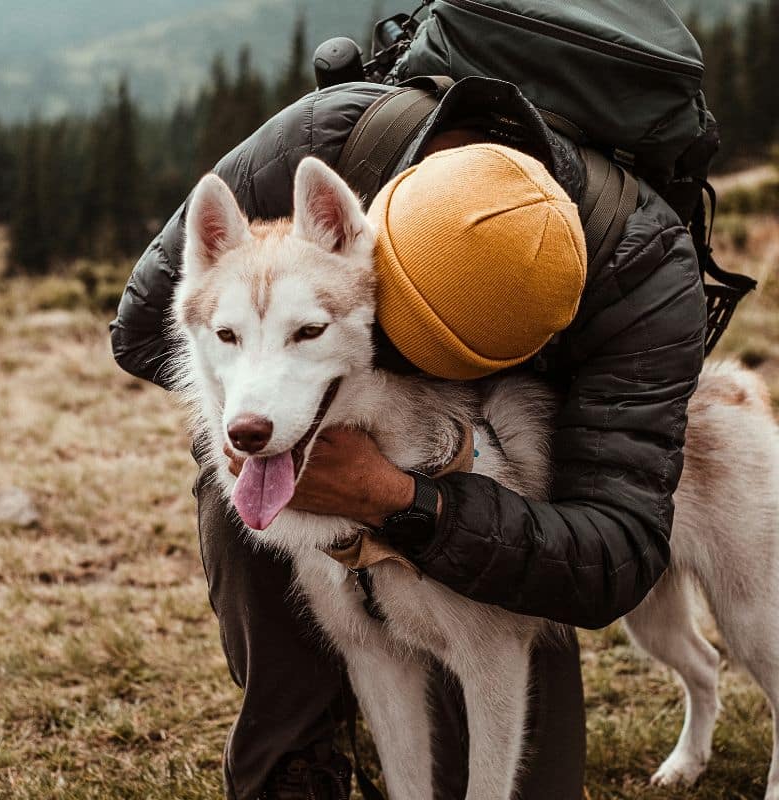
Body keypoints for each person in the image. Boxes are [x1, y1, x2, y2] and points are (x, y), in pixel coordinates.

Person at [111, 77, 706, 800]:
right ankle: (296, 751)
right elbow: (141, 330)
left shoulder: (642, 262)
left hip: (532, 504)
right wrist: (276, 415)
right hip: (363, 411)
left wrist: (397, 496)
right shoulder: (325, 139)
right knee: (234, 482)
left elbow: (614, 556)